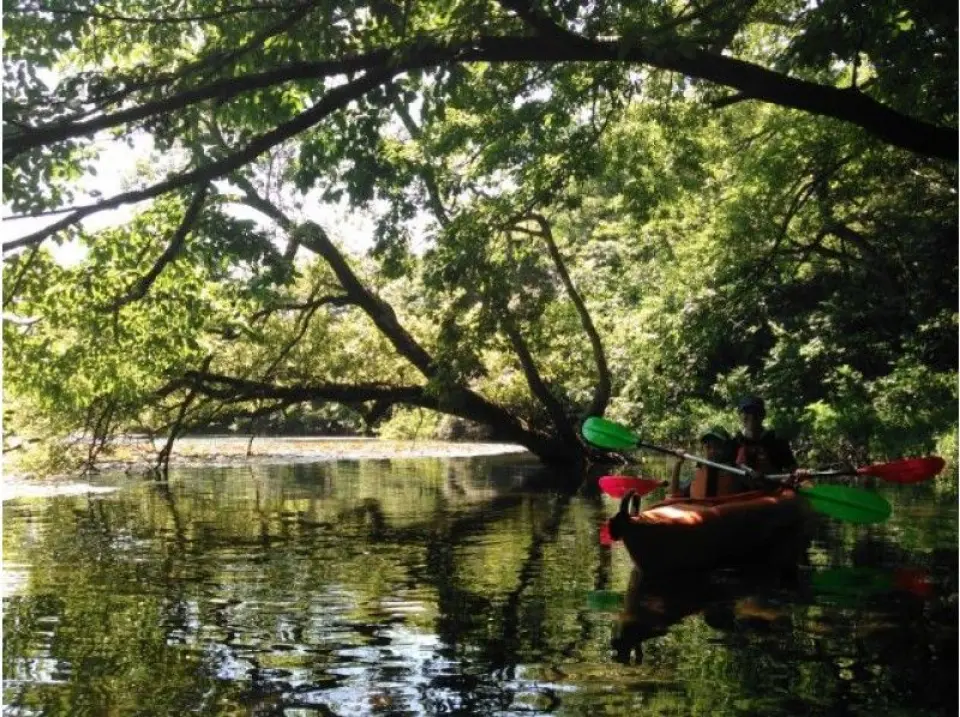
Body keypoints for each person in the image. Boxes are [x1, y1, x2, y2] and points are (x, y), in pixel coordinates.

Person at [669, 425, 749, 498]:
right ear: (703, 449)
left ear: (726, 449)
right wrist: (678, 463)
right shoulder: (700, 470)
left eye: (718, 447)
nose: (712, 451)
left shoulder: (737, 471)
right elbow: (675, 492)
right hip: (701, 511)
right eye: (708, 447)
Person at [732, 396, 803, 478]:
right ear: (740, 415)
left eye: (755, 412)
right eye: (747, 412)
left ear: (763, 415)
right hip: (743, 490)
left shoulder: (777, 442)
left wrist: (799, 472)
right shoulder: (733, 444)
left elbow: (793, 468)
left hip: (774, 488)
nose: (751, 416)